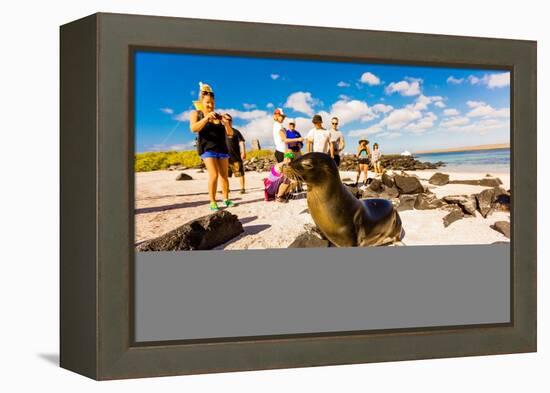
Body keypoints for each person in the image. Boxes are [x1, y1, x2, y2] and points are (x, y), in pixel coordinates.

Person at [189, 82, 235, 211]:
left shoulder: (219, 116)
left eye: (212, 103)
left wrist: (226, 124)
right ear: (201, 102)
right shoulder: (196, 114)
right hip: (207, 149)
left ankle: (226, 199)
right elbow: (193, 128)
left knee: (224, 176)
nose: (210, 105)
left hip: (222, 149)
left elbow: (230, 134)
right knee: (214, 175)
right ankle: (213, 201)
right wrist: (205, 119)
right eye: (208, 102)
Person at [224, 114, 247, 194]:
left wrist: (243, 152)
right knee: (225, 175)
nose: (228, 121)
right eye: (226, 119)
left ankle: (242, 188)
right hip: (224, 157)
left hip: (236, 156)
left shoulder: (236, 132)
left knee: (240, 173)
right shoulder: (220, 132)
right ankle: (226, 189)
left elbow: (241, 142)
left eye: (230, 120)